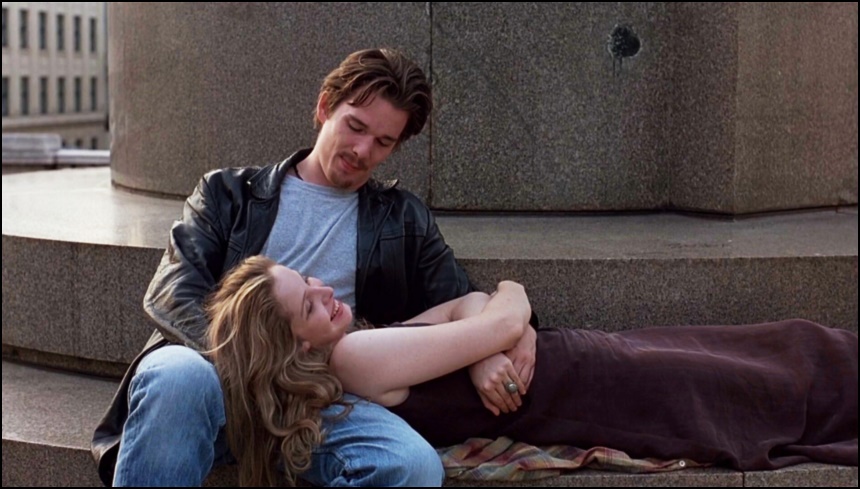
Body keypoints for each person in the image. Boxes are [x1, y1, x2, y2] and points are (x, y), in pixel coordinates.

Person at [91, 47, 539, 487]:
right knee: (175, 376)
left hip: (322, 400)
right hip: (217, 380)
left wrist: (507, 334)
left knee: (412, 466)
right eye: (355, 126)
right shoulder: (227, 193)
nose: (362, 150)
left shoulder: (402, 219)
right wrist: (258, 368)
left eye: (383, 142)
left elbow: (464, 298)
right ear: (325, 107)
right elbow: (172, 294)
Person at [206, 255, 858, 486]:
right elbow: (493, 317)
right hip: (595, 390)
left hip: (588, 364)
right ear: (292, 348)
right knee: (769, 383)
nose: (325, 291)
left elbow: (465, 306)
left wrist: (488, 342)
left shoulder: (356, 346)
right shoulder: (353, 359)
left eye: (309, 280)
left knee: (766, 354)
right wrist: (510, 303)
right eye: (308, 305)